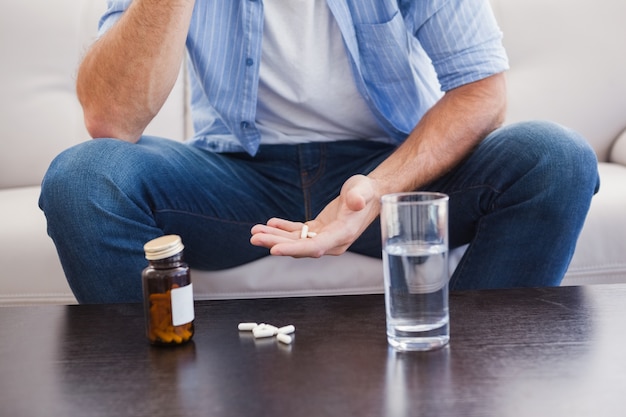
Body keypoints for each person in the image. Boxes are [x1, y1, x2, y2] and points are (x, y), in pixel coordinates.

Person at [39, 0, 599, 303]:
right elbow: (112, 118)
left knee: (555, 158)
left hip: (391, 173)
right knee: (85, 180)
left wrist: (378, 190)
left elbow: (481, 90)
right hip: (235, 180)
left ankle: (462, 381)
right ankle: (160, 395)